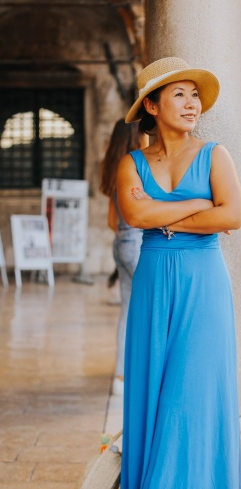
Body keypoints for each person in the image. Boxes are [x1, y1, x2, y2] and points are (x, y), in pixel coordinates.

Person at [96, 56, 241, 489]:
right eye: (178, 95)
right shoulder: (130, 163)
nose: (191, 104)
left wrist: (168, 216)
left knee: (192, 389)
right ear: (152, 107)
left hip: (204, 281)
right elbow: (135, 214)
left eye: (194, 95)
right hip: (155, 282)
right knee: (154, 386)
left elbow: (235, 215)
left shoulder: (215, 154)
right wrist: (199, 209)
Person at [99, 119, 144, 396]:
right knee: (150, 307)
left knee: (127, 311)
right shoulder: (135, 168)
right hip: (137, 242)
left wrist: (125, 237)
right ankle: (139, 372)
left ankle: (121, 374)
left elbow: (111, 220)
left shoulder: (114, 170)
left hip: (121, 242)